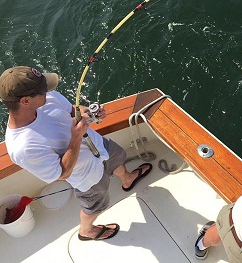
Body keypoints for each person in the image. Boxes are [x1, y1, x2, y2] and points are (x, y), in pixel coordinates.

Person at [0, 66, 153, 241]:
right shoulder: (22, 147)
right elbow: (62, 174)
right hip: (87, 178)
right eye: (42, 90)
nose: (48, 91)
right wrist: (76, 136)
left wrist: (88, 112)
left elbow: (72, 110)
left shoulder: (47, 97)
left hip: (100, 146)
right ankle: (86, 231)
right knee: (96, 206)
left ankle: (127, 179)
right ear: (25, 101)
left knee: (117, 157)